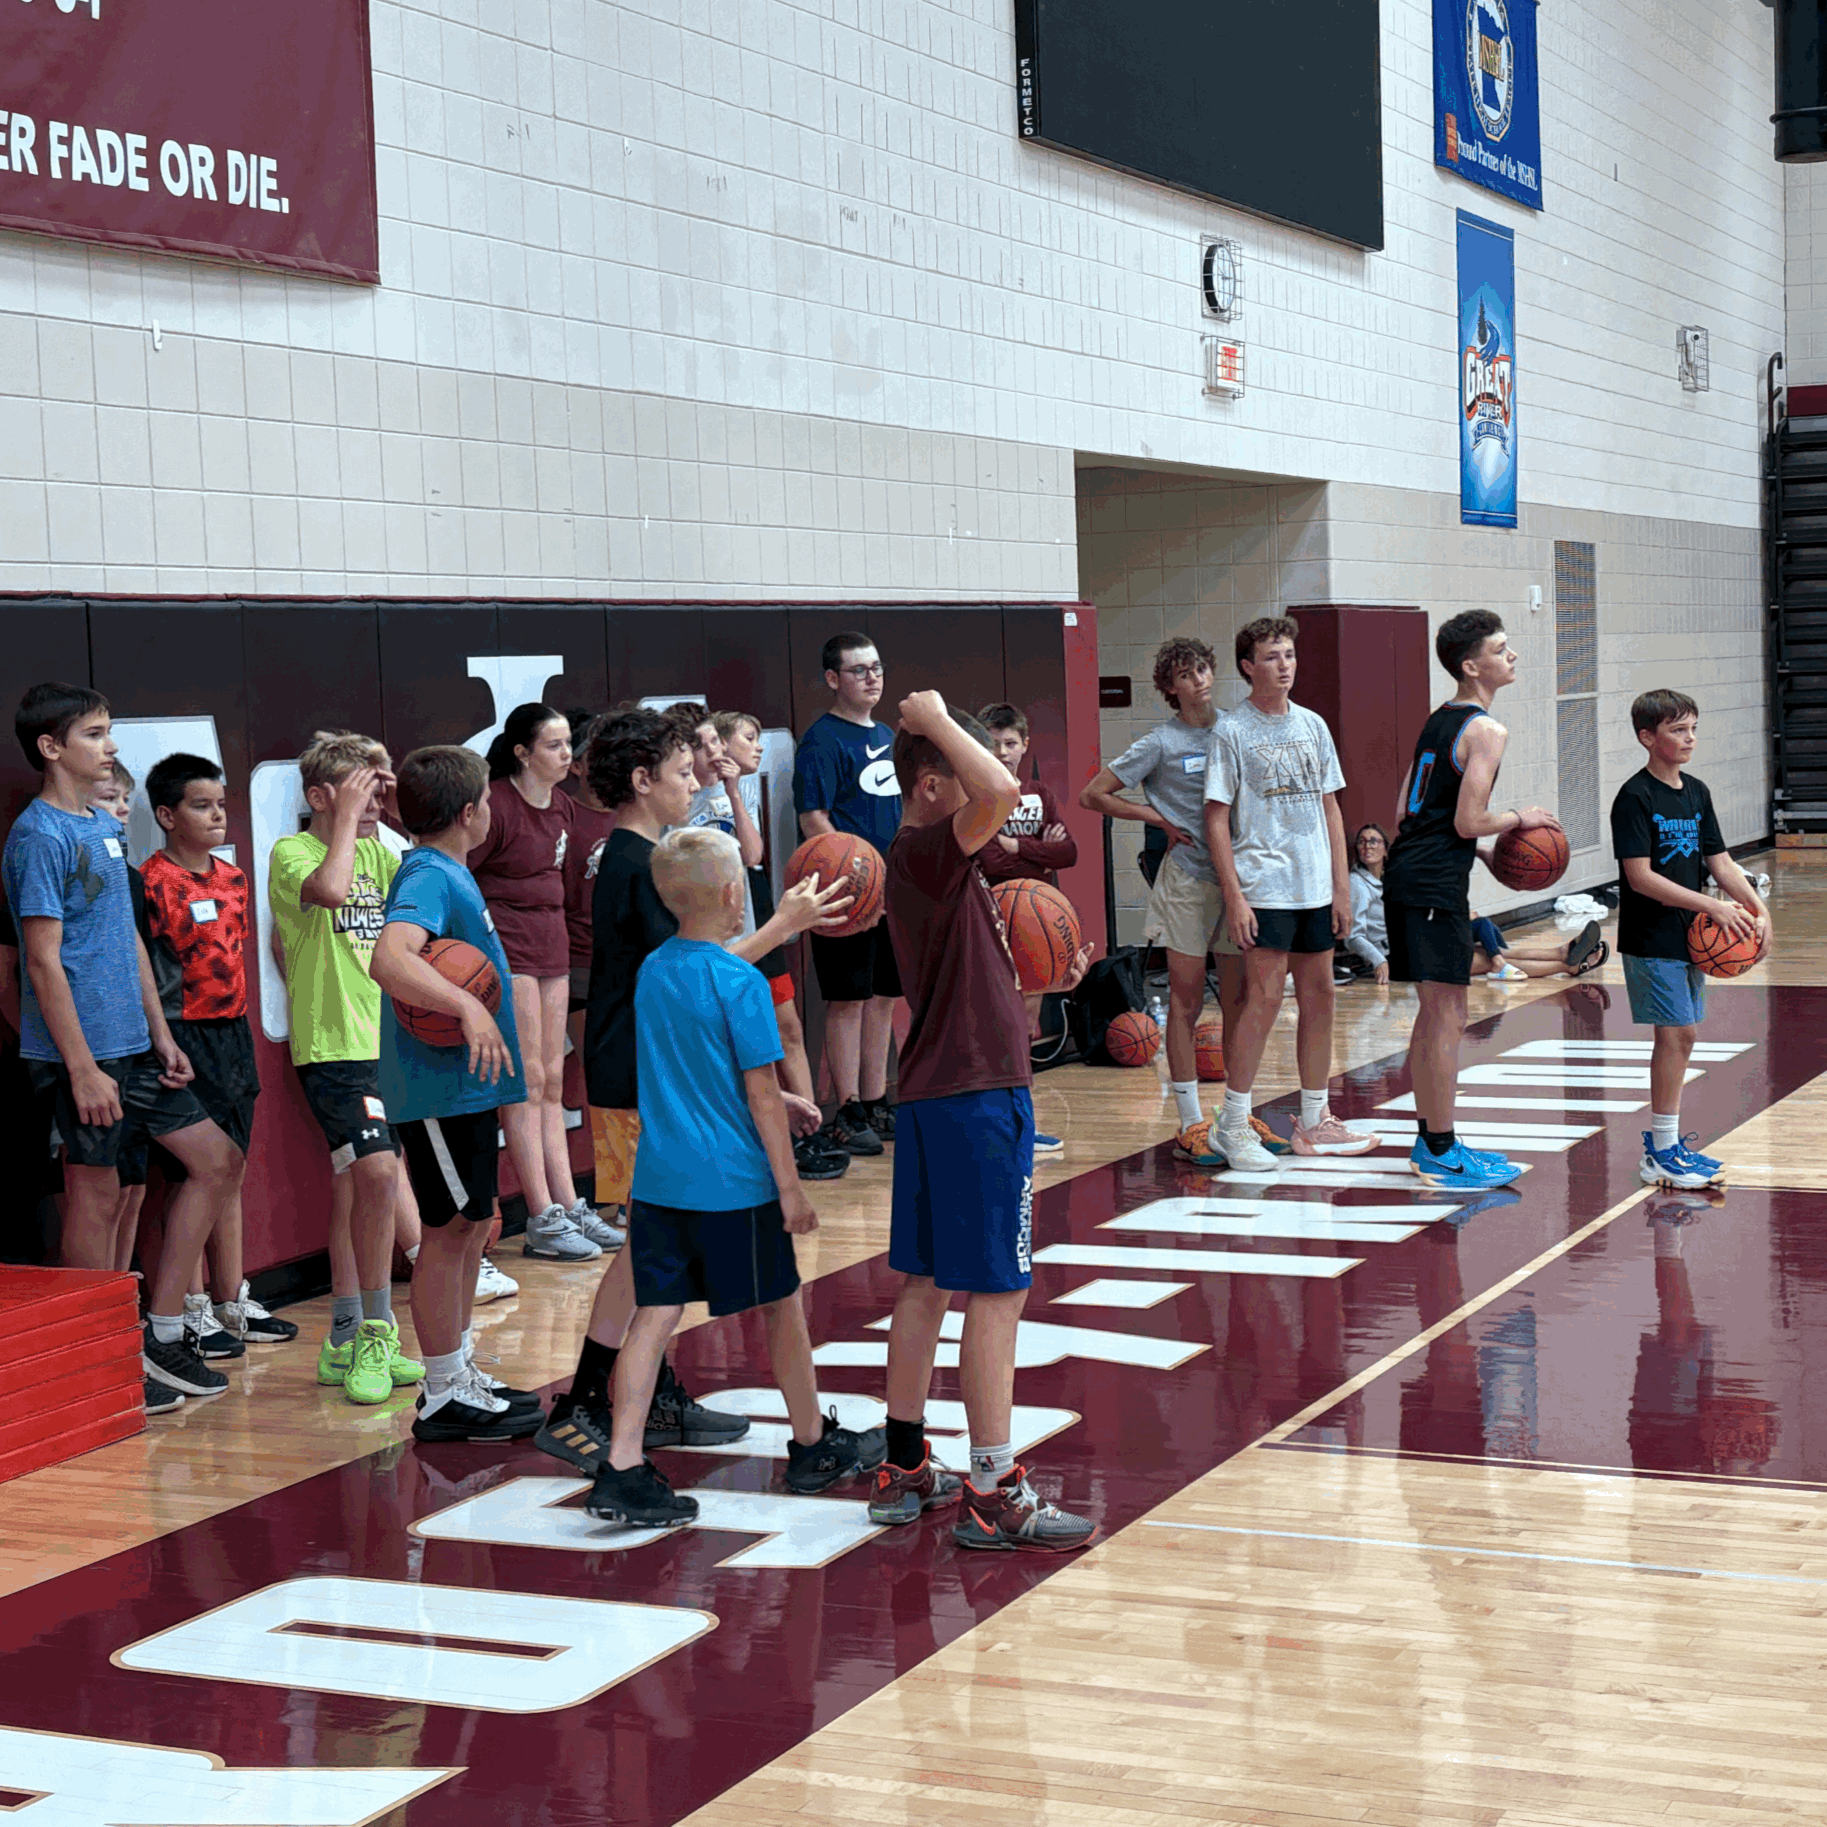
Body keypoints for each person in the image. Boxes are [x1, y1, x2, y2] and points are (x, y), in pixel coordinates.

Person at [538, 710, 848, 1479]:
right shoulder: (635, 862)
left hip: (649, 1075)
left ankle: (649, 1392)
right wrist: (779, 925)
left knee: (657, 1257)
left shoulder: (645, 855)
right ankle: (584, 1396)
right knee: (648, 1259)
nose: (694, 783)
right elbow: (699, 978)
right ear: (643, 782)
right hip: (631, 1080)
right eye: (683, 773)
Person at [584, 827, 884, 1525]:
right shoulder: (741, 981)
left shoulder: (655, 968)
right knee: (781, 1307)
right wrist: (790, 1189)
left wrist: (770, 1098)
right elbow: (754, 1091)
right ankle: (813, 1445)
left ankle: (621, 1464)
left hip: (659, 1181)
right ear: (731, 894)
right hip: (734, 1182)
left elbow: (688, 1060)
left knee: (653, 1319)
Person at [870, 691, 1096, 1551]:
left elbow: (971, 982)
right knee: (999, 1290)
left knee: (927, 1283)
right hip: (972, 1098)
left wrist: (1037, 988)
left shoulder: (939, 866)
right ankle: (994, 1486)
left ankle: (903, 1461)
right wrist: (931, 719)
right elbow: (998, 790)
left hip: (941, 1089)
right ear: (932, 787)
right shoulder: (927, 847)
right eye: (953, 778)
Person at [3, 683, 240, 1411]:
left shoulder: (102, 828)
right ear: (52, 747)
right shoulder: (37, 836)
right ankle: (97, 1358)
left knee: (216, 1160)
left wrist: (161, 1033)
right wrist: (80, 1068)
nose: (111, 746)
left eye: (109, 732)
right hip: (86, 1057)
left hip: (137, 1048)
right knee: (95, 1198)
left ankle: (158, 1331)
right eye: (96, 734)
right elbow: (42, 961)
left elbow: (129, 938)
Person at [368, 745, 543, 1443]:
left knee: (472, 1224)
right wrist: (467, 1009)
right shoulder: (428, 874)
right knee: (445, 1233)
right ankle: (442, 1391)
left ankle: (460, 1370)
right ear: (473, 812)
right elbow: (390, 956)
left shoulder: (448, 873)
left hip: (466, 1089)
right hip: (437, 1088)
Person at [268, 729, 424, 1405]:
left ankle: (342, 1335)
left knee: (358, 1189)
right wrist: (347, 827)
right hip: (334, 1047)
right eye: (363, 787)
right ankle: (377, 1331)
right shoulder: (294, 852)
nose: (374, 800)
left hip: (386, 1044)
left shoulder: (381, 855)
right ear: (319, 796)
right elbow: (330, 891)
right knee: (378, 1175)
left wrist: (389, 823)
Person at [1382, 612, 1562, 1190]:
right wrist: (1519, 819)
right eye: (1501, 649)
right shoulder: (1487, 729)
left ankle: (1436, 1138)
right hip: (1431, 882)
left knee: (1437, 1012)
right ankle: (1438, 1148)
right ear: (1471, 665)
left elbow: (1409, 810)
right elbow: (1467, 820)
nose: (1512, 657)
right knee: (1446, 1014)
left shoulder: (1440, 719)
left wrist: (1480, 856)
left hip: (1412, 871)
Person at [1080, 638, 1274, 1167]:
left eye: (1204, 669)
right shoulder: (1160, 744)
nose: (1199, 681)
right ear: (1170, 687)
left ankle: (1237, 1117)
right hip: (1187, 882)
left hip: (1239, 881)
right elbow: (1092, 794)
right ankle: (1190, 1121)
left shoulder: (1237, 728)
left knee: (1238, 1001)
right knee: (1187, 1002)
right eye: (1186, 675)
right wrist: (1156, 818)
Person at [1204, 618, 1377, 1163]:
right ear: (1248, 667)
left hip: (1314, 888)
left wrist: (1341, 888)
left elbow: (1331, 806)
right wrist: (1234, 896)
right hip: (1264, 885)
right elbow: (1215, 819)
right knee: (1264, 999)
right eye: (1273, 656)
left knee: (1321, 996)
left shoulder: (1313, 725)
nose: (1286, 665)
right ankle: (1233, 1123)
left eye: (1290, 655)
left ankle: (1313, 1120)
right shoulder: (1231, 730)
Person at [141, 753, 295, 1355]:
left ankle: (233, 1300)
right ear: (166, 815)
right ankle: (192, 1307)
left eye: (220, 803)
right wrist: (166, 1040)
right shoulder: (153, 882)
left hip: (232, 1034)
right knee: (191, 1176)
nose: (215, 815)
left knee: (233, 1165)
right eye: (200, 806)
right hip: (183, 1036)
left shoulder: (232, 879)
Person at [473, 702, 617, 1261]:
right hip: (509, 953)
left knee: (554, 1081)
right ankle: (540, 1215)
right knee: (527, 1080)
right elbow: (464, 874)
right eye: (555, 747)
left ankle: (568, 1202)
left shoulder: (561, 805)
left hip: (554, 948)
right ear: (522, 752)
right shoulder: (498, 805)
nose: (567, 756)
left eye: (567, 746)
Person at [1611, 689, 1770, 1190]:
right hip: (1650, 935)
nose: (1690, 739)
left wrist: (1758, 910)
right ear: (1647, 737)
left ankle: (1667, 1144)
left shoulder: (1696, 792)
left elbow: (1719, 862)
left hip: (1688, 936)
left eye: (1693, 729)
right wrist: (1712, 906)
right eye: (1678, 730)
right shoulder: (1634, 797)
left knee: (1684, 1034)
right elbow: (1639, 877)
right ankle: (1659, 1151)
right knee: (1676, 1034)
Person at [712, 708, 847, 1183]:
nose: (758, 745)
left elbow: (753, 855)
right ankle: (756, 1141)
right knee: (740, 1043)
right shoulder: (685, 797)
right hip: (717, 935)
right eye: (747, 737)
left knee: (787, 1027)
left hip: (756, 919)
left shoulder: (736, 792)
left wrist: (732, 793)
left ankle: (807, 1128)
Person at [792, 632, 903, 1156]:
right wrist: (858, 878)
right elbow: (814, 818)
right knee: (848, 1000)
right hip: (848, 894)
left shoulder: (885, 733)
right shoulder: (822, 741)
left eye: (876, 667)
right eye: (859, 670)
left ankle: (878, 1100)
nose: (872, 677)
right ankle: (849, 1107)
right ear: (834, 679)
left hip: (894, 892)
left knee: (883, 997)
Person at [1343, 824, 1391, 984]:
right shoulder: (1357, 882)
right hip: (1383, 956)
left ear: (1385, 850)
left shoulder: (1390, 879)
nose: (1366, 846)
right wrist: (1379, 960)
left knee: (1471, 929)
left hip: (1406, 947)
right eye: (1361, 842)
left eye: (1373, 841)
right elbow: (1352, 935)